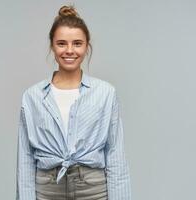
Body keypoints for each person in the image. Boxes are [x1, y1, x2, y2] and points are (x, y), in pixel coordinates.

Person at [16, 5, 131, 200]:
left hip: (93, 190)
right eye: (62, 43)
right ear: (52, 46)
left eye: (77, 43)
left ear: (87, 46)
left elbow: (115, 155)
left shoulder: (105, 93)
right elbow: (25, 159)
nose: (69, 50)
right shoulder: (32, 96)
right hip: (47, 189)